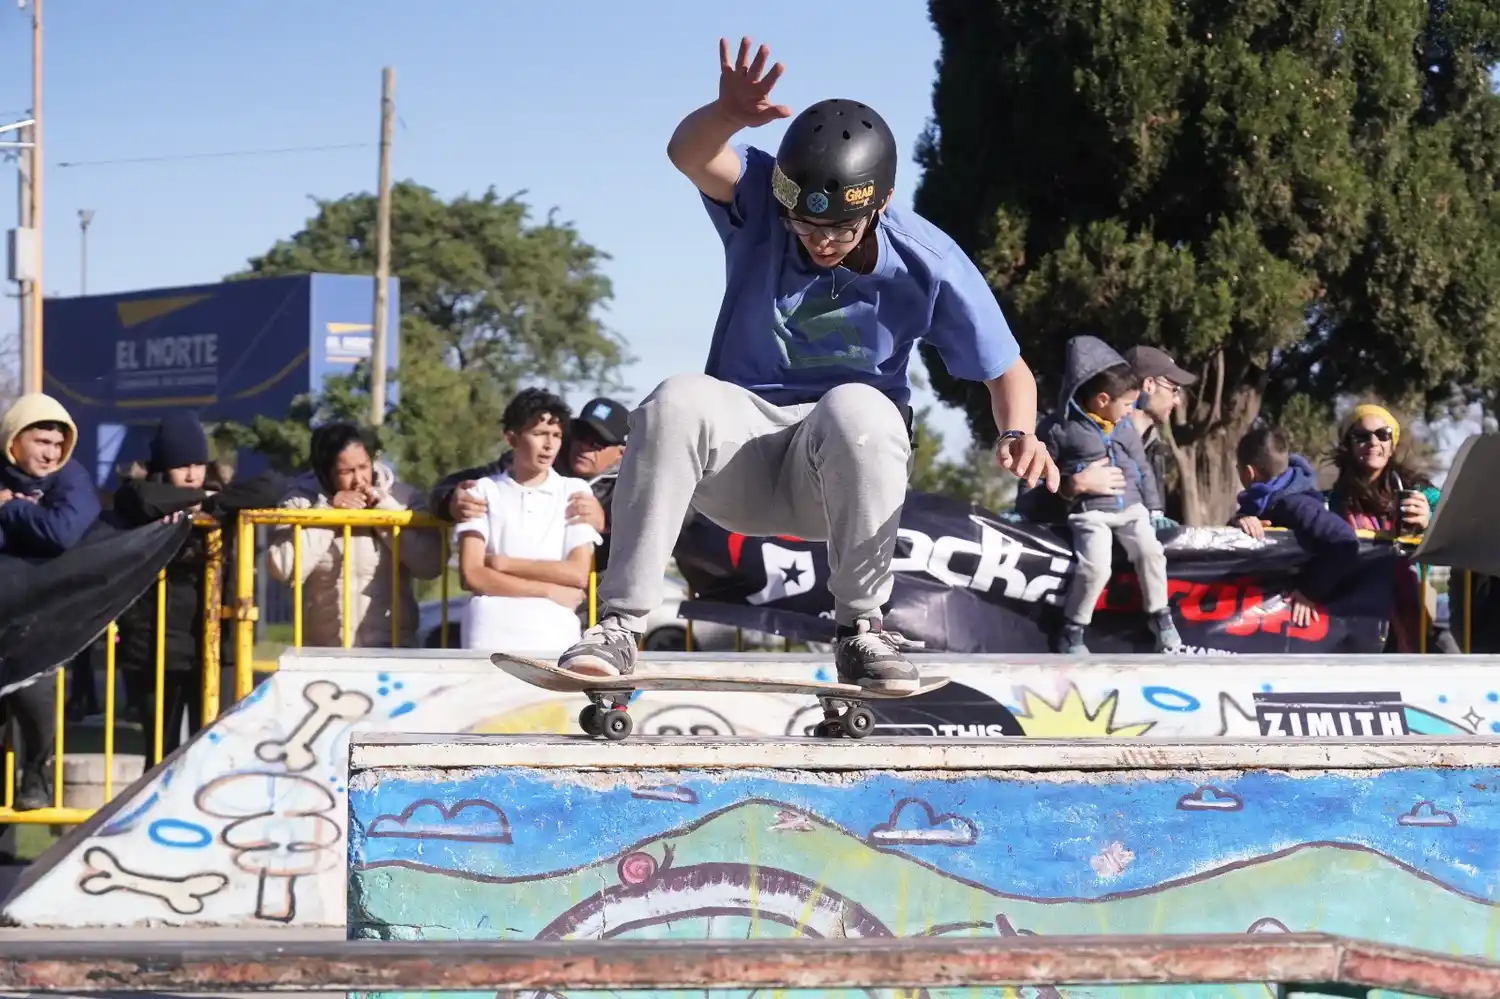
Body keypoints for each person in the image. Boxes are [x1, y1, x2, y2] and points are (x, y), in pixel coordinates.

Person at [554, 37, 1058, 690]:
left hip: (836, 473)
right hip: (738, 457)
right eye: (805, 226)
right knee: (674, 396)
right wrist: (726, 113)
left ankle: (862, 632)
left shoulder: (928, 260)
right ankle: (620, 626)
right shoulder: (763, 199)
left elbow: (1009, 370)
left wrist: (1019, 430)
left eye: (840, 231)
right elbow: (691, 155)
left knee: (861, 408)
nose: (820, 242)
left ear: (878, 203)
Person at [110, 411, 284, 761]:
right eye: (180, 466)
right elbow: (138, 499)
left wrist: (205, 503)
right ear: (161, 468)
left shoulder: (218, 496)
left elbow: (273, 486)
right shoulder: (139, 496)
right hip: (155, 648)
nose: (191, 474)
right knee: (161, 754)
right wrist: (194, 503)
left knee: (215, 752)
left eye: (197, 463)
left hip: (214, 646)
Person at [1040, 336, 1179, 654]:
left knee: (1151, 553)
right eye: (1127, 404)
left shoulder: (1126, 428)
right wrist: (1070, 485)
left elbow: (1142, 469)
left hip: (1132, 510)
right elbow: (1038, 475)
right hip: (1091, 514)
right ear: (1103, 400)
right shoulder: (1061, 430)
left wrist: (1154, 509)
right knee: (1096, 568)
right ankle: (1073, 629)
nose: (1131, 411)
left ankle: (1160, 616)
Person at [266, 422, 444, 649]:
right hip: (325, 650)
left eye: (364, 466)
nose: (359, 480)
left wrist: (384, 513)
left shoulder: (402, 498)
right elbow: (285, 568)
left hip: (393, 649)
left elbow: (430, 565)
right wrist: (328, 513)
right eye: (346, 472)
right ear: (325, 472)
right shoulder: (300, 502)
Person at [453, 388, 603, 652]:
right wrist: (547, 590)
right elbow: (472, 575)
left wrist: (503, 563)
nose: (549, 445)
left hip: (555, 635)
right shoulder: (481, 490)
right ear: (511, 438)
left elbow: (577, 573)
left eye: (556, 435)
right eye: (539, 434)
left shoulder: (575, 492)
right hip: (489, 634)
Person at [1323, 404, 1452, 652]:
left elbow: (1456, 523)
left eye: (1383, 435)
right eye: (1361, 436)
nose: (1373, 442)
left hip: (1414, 614)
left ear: (1392, 445)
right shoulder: (1332, 501)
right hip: (1352, 614)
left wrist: (1429, 520)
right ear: (1348, 445)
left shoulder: (1418, 491)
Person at [430, 395, 624, 554]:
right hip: (513, 584)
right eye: (580, 435)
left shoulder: (633, 488)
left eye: (598, 443)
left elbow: (637, 552)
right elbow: (445, 488)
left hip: (591, 595)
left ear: (622, 453)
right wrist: (451, 502)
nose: (584, 447)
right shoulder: (535, 459)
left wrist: (605, 528)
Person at [1232, 425, 1363, 628]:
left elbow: (1345, 542)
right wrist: (1239, 521)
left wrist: (1309, 592)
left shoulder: (1298, 504)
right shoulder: (1261, 506)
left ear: (1248, 472)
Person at [0, 392, 100, 558]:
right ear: (13, 440)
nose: (51, 455)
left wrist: (12, 507)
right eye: (42, 442)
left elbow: (63, 532)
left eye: (58, 445)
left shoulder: (72, 475)